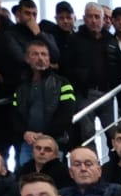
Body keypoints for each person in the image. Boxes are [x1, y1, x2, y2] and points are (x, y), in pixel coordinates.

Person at [12, 39, 76, 170]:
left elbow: (66, 114)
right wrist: (24, 133)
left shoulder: (63, 83)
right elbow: (14, 116)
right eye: (35, 54)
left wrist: (46, 135)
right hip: (28, 144)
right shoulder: (20, 87)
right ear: (27, 59)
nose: (40, 58)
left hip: (54, 143)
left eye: (44, 54)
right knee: (26, 181)